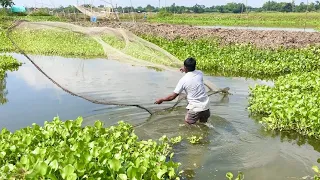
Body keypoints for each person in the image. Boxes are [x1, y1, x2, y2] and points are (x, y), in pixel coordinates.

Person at [154, 57, 210, 124]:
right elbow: (193, 71)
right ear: (194, 66)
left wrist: (161, 99)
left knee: (187, 126)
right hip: (206, 107)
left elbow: (172, 97)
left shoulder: (183, 80)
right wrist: (186, 68)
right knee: (203, 125)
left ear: (185, 67)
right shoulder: (200, 73)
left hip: (195, 109)